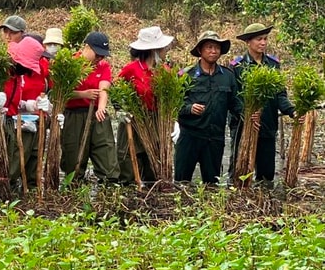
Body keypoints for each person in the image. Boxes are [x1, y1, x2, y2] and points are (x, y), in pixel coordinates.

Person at [229, 23, 295, 183]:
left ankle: (265, 203)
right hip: (243, 126)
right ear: (248, 42)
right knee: (240, 171)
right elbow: (233, 98)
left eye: (265, 39)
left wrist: (291, 111)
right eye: (259, 39)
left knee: (266, 175)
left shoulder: (273, 64)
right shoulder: (237, 66)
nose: (263, 43)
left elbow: (280, 94)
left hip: (267, 124)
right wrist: (247, 114)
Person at [176, 31, 242, 184]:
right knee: (181, 183)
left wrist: (248, 113)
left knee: (212, 185)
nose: (213, 51)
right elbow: (174, 105)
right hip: (189, 138)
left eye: (217, 48)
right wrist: (189, 108)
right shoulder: (186, 75)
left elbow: (236, 104)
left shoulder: (228, 76)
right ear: (200, 50)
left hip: (215, 139)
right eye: (209, 47)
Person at [116, 26, 173, 184]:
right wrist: (121, 109)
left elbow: (170, 100)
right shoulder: (131, 69)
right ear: (154, 50)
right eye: (163, 48)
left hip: (155, 121)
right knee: (128, 158)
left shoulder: (164, 71)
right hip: (133, 119)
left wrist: (174, 122)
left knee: (153, 161)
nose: (166, 50)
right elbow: (114, 89)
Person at [61, 32, 119, 184]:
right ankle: (74, 184)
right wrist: (83, 94)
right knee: (74, 158)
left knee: (105, 150)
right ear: (86, 47)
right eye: (97, 54)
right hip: (74, 114)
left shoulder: (103, 66)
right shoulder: (70, 63)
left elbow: (104, 87)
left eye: (103, 55)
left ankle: (109, 183)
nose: (100, 58)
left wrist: (101, 108)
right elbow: (60, 93)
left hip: (95, 112)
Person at [1, 36, 51, 191]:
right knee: (4, 161)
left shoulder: (17, 76)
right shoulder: (3, 73)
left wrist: (30, 105)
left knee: (16, 158)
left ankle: (9, 190)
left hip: (12, 120)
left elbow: (14, 101)